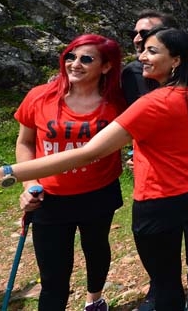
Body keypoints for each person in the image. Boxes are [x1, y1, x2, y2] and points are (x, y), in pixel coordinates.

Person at [0, 27, 188, 311]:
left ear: (176, 60)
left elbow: (88, 152)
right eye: (141, 47)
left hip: (159, 200)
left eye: (152, 50)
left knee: (166, 281)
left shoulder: (152, 104)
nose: (141, 54)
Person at [122, 10, 188, 311]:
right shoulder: (130, 74)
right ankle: (160, 288)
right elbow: (122, 119)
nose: (139, 39)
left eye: (149, 35)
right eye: (137, 33)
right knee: (160, 245)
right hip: (154, 179)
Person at [15, 34, 126, 311]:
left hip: (99, 192)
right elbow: (25, 142)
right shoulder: (39, 96)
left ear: (106, 66)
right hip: (48, 197)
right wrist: (28, 184)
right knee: (53, 275)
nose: (75, 64)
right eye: (70, 57)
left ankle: (95, 299)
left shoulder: (117, 103)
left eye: (86, 59)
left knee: (96, 248)